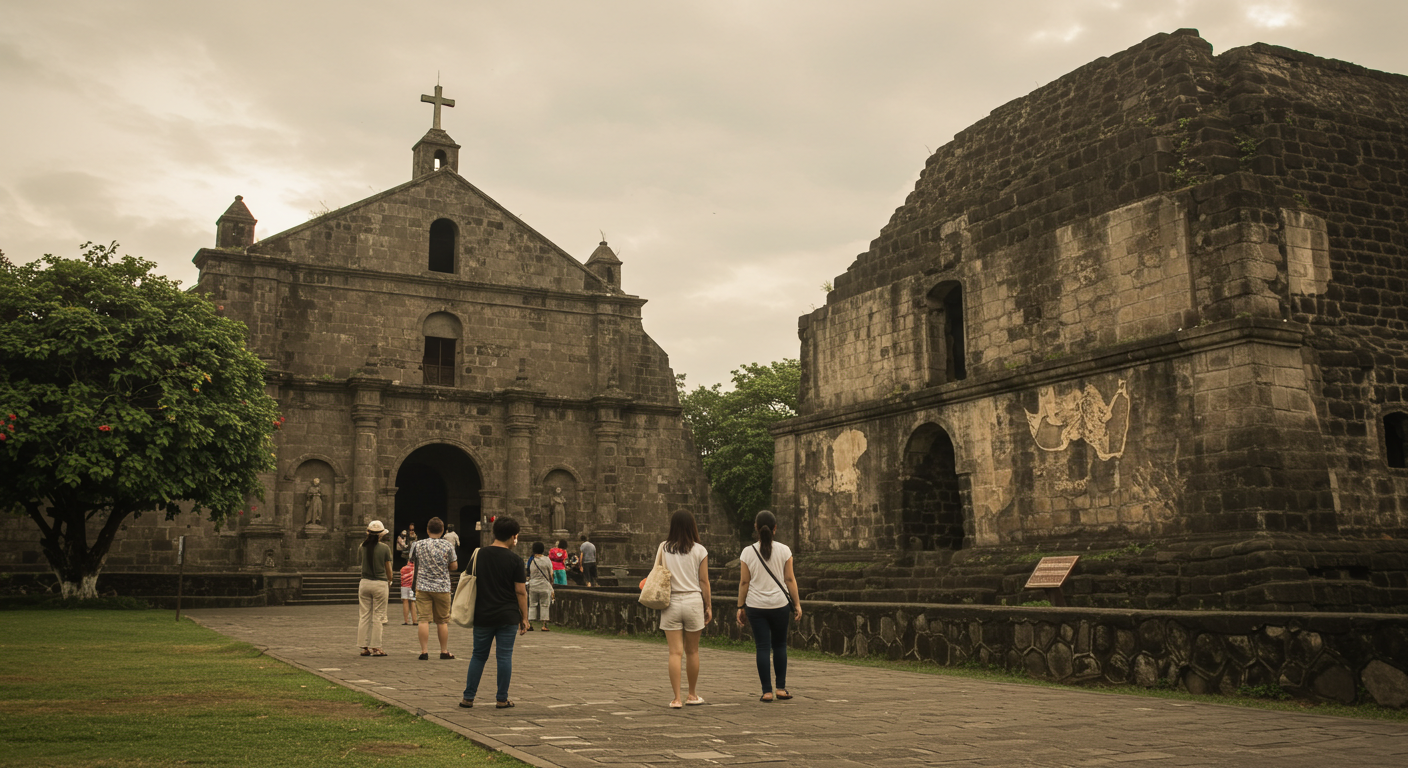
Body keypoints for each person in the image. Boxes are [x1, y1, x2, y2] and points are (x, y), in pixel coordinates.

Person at [460, 516, 530, 710]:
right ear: (513, 537)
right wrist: (524, 617)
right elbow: (520, 591)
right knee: (504, 656)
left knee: (478, 655)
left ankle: (468, 697)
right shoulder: (515, 559)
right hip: (507, 615)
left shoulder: (478, 554)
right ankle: (501, 699)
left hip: (483, 614)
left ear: (494, 533)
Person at [735, 510, 803, 702]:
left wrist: (740, 606)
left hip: (756, 606)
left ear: (756, 528)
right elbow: (790, 579)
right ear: (775, 529)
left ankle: (766, 691)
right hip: (780, 605)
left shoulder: (747, 552)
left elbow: (744, 583)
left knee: (762, 647)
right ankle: (781, 688)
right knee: (780, 645)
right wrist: (797, 604)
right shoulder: (784, 550)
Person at [657, 510, 711, 708]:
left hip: (671, 602)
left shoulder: (664, 547)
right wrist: (709, 605)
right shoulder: (700, 550)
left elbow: (658, 572)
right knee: (693, 651)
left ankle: (676, 698)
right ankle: (692, 694)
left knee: (675, 652)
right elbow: (704, 581)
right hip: (693, 601)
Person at [410, 516, 458, 660]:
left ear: (427, 529)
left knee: (423, 619)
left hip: (423, 586)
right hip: (442, 586)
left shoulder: (418, 545)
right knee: (442, 620)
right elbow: (454, 566)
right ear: (443, 531)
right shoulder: (448, 545)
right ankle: (443, 651)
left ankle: (424, 651)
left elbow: (412, 561)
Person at [357, 520, 394, 657]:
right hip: (379, 583)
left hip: (365, 582)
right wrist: (390, 580)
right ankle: (376, 647)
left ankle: (364, 646)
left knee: (364, 615)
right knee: (378, 616)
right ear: (381, 535)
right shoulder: (384, 548)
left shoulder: (362, 546)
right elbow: (388, 569)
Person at [525, 541, 555, 631]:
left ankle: (530, 624)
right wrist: (551, 583)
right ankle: (544, 625)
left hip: (533, 585)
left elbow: (528, 573)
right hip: (544, 585)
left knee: (532, 605)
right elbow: (551, 574)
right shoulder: (547, 560)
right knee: (545, 605)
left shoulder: (531, 560)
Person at [399, 560, 416, 625]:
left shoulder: (403, 568)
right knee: (412, 602)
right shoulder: (415, 568)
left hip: (404, 586)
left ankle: (406, 621)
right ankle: (414, 620)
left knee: (405, 602)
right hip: (412, 587)